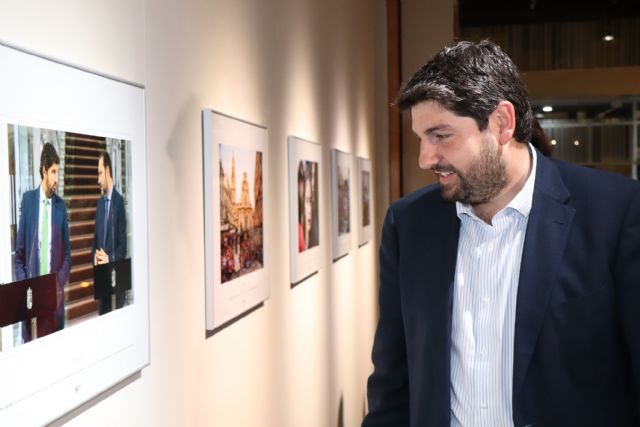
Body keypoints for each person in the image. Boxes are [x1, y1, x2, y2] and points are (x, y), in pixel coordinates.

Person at [363, 40, 640, 426]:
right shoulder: (408, 224)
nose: (426, 158)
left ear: (502, 123)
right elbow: (392, 378)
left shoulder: (616, 213)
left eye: (441, 136)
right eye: (420, 139)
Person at [14, 142, 71, 340]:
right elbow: (19, 256)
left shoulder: (61, 207)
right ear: (44, 171)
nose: (57, 178)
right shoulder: (28, 201)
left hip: (53, 305)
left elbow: (68, 256)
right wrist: (25, 290)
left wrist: (58, 284)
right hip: (32, 305)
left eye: (58, 172)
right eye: (53, 172)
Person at [92, 151, 127, 314]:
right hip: (102, 283)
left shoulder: (120, 202)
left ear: (107, 171)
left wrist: (109, 259)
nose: (98, 180)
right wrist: (95, 256)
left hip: (116, 282)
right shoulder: (99, 204)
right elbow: (95, 242)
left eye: (100, 173)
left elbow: (123, 247)